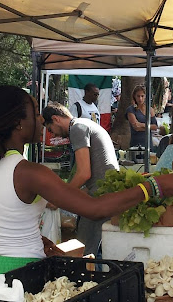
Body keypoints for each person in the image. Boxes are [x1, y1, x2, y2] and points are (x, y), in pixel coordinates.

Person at [0, 85, 173, 285]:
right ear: (19, 123)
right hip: (18, 279)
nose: (41, 120)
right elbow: (94, 209)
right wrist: (153, 187)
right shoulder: (29, 172)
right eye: (34, 113)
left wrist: (29, 237)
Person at [41, 102, 119, 257]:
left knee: (83, 252)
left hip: (100, 197)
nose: (54, 135)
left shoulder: (77, 128)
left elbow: (84, 174)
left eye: (51, 130)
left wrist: (60, 198)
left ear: (56, 119)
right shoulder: (85, 124)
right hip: (106, 193)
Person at [126, 84, 159, 149]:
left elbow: (155, 127)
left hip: (148, 144)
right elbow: (136, 127)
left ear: (145, 96)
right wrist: (149, 127)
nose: (140, 99)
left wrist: (141, 124)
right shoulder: (131, 110)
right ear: (134, 96)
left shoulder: (150, 110)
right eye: (138, 96)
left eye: (142, 96)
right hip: (136, 144)